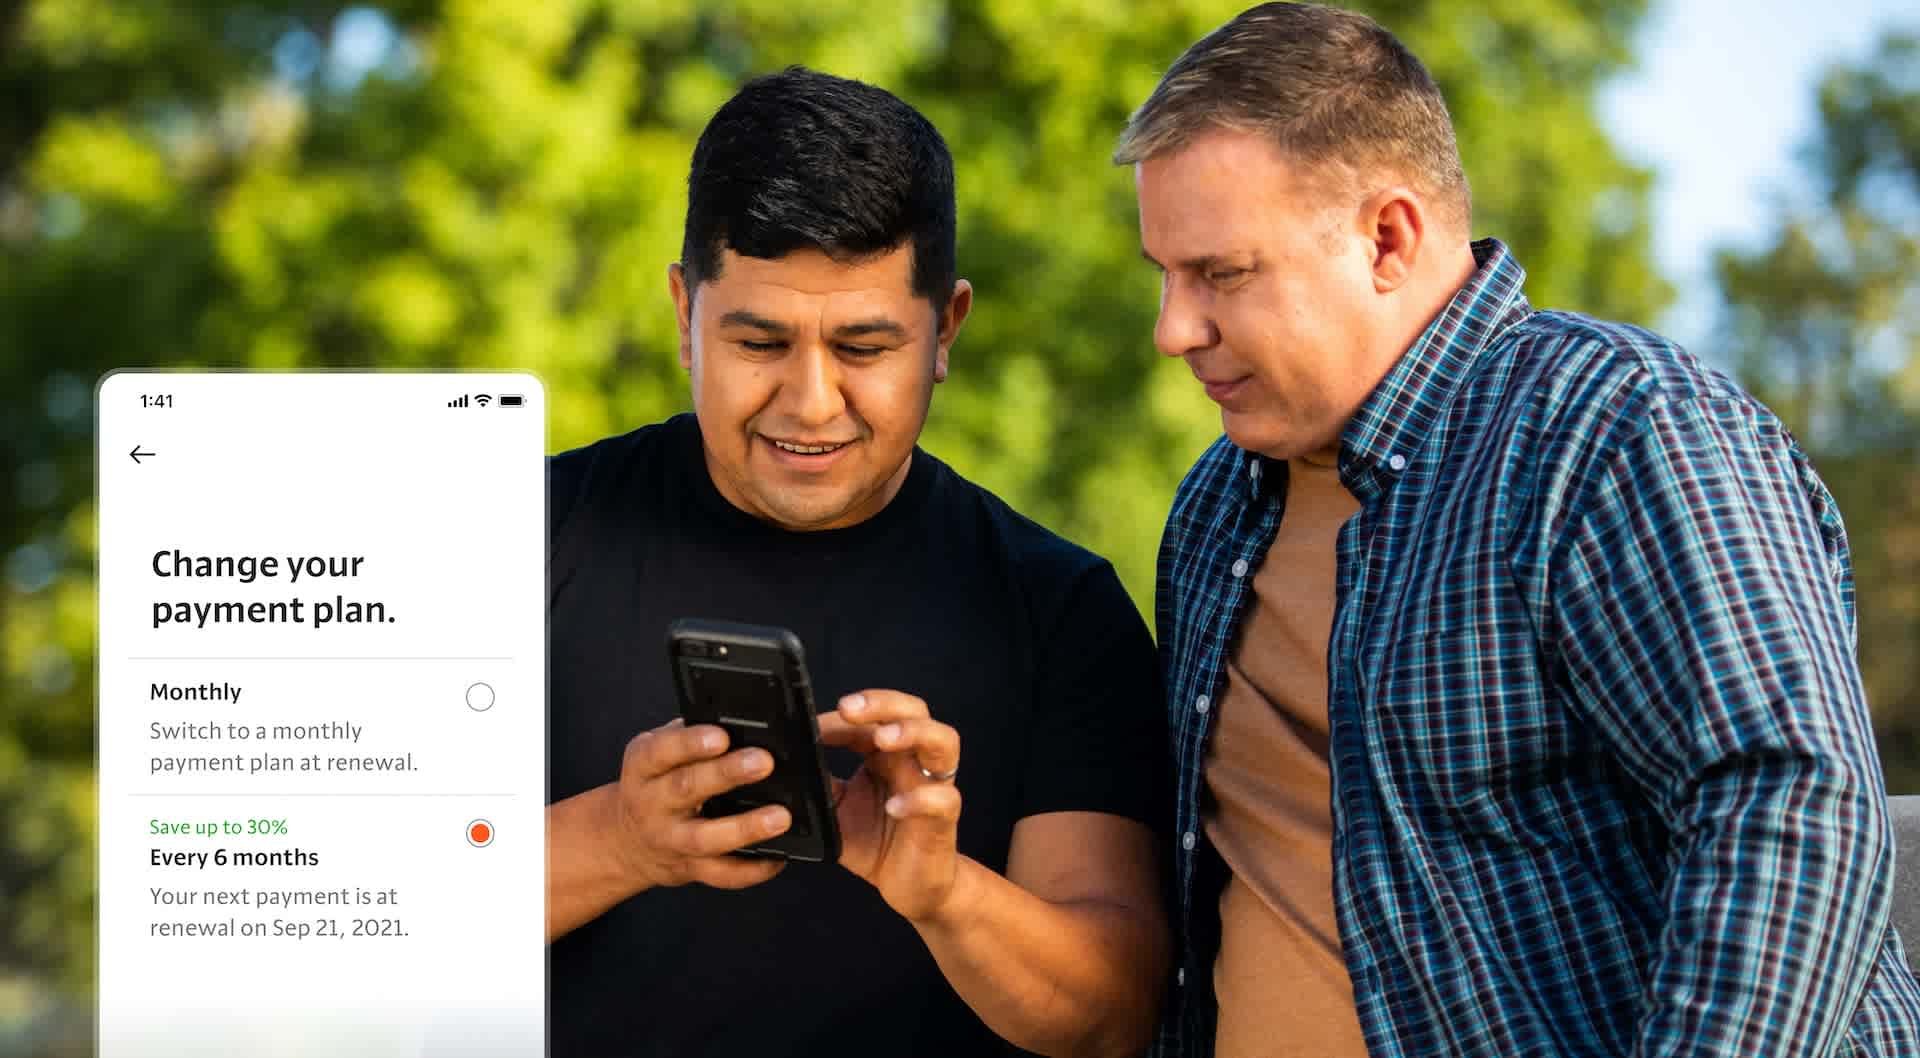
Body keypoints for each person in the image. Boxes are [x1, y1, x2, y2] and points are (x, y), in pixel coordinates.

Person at [1116, 4, 1920, 1057]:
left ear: (1388, 238)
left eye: (1223, 273)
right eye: (1165, 276)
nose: (1176, 329)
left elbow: (1792, 809)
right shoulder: (1214, 507)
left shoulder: (1622, 430)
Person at [543, 66, 1169, 1058]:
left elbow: (1114, 1014)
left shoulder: (1062, 608)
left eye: (865, 346)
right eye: (759, 339)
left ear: (946, 329)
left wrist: (943, 890)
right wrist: (621, 838)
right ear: (683, 314)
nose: (811, 400)